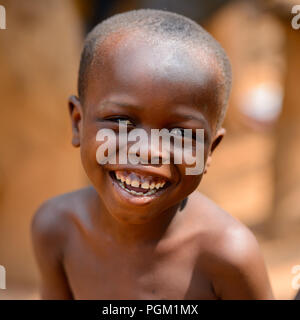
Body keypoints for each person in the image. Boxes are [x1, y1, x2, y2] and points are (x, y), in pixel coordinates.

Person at [31, 9, 274, 299]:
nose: (148, 151)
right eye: (121, 122)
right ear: (78, 122)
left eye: (181, 134)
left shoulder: (227, 255)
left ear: (209, 151)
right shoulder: (56, 229)